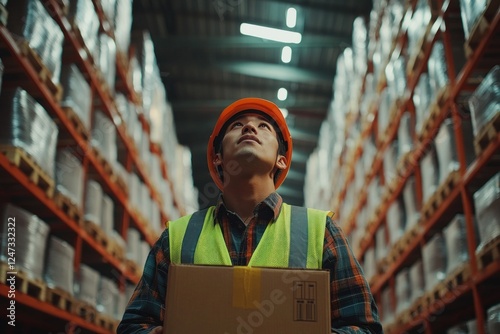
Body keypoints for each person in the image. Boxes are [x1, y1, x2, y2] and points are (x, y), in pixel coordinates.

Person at [117, 97, 383, 333]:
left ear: (281, 159)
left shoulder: (320, 231)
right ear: (219, 158)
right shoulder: (178, 236)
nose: (249, 127)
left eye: (264, 126)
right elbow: (134, 324)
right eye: (237, 125)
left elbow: (363, 326)